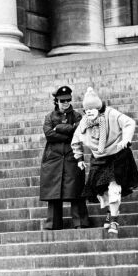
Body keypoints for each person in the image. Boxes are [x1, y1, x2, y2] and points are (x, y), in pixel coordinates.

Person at [71, 87, 138, 235]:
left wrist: (126, 139)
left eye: (92, 108)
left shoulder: (111, 113)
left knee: (114, 189)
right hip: (98, 159)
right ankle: (111, 213)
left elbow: (129, 123)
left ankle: (114, 221)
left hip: (116, 156)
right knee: (101, 192)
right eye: (87, 109)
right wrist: (79, 158)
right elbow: (75, 140)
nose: (89, 111)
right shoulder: (84, 122)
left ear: (99, 108)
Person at [39, 86, 90, 230]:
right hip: (53, 158)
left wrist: (59, 128)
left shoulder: (78, 116)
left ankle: (81, 222)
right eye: (62, 101)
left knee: (76, 189)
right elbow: (49, 134)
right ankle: (53, 224)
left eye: (68, 100)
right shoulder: (49, 117)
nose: (66, 103)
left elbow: (79, 131)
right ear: (56, 101)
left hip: (72, 155)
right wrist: (69, 130)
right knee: (53, 191)